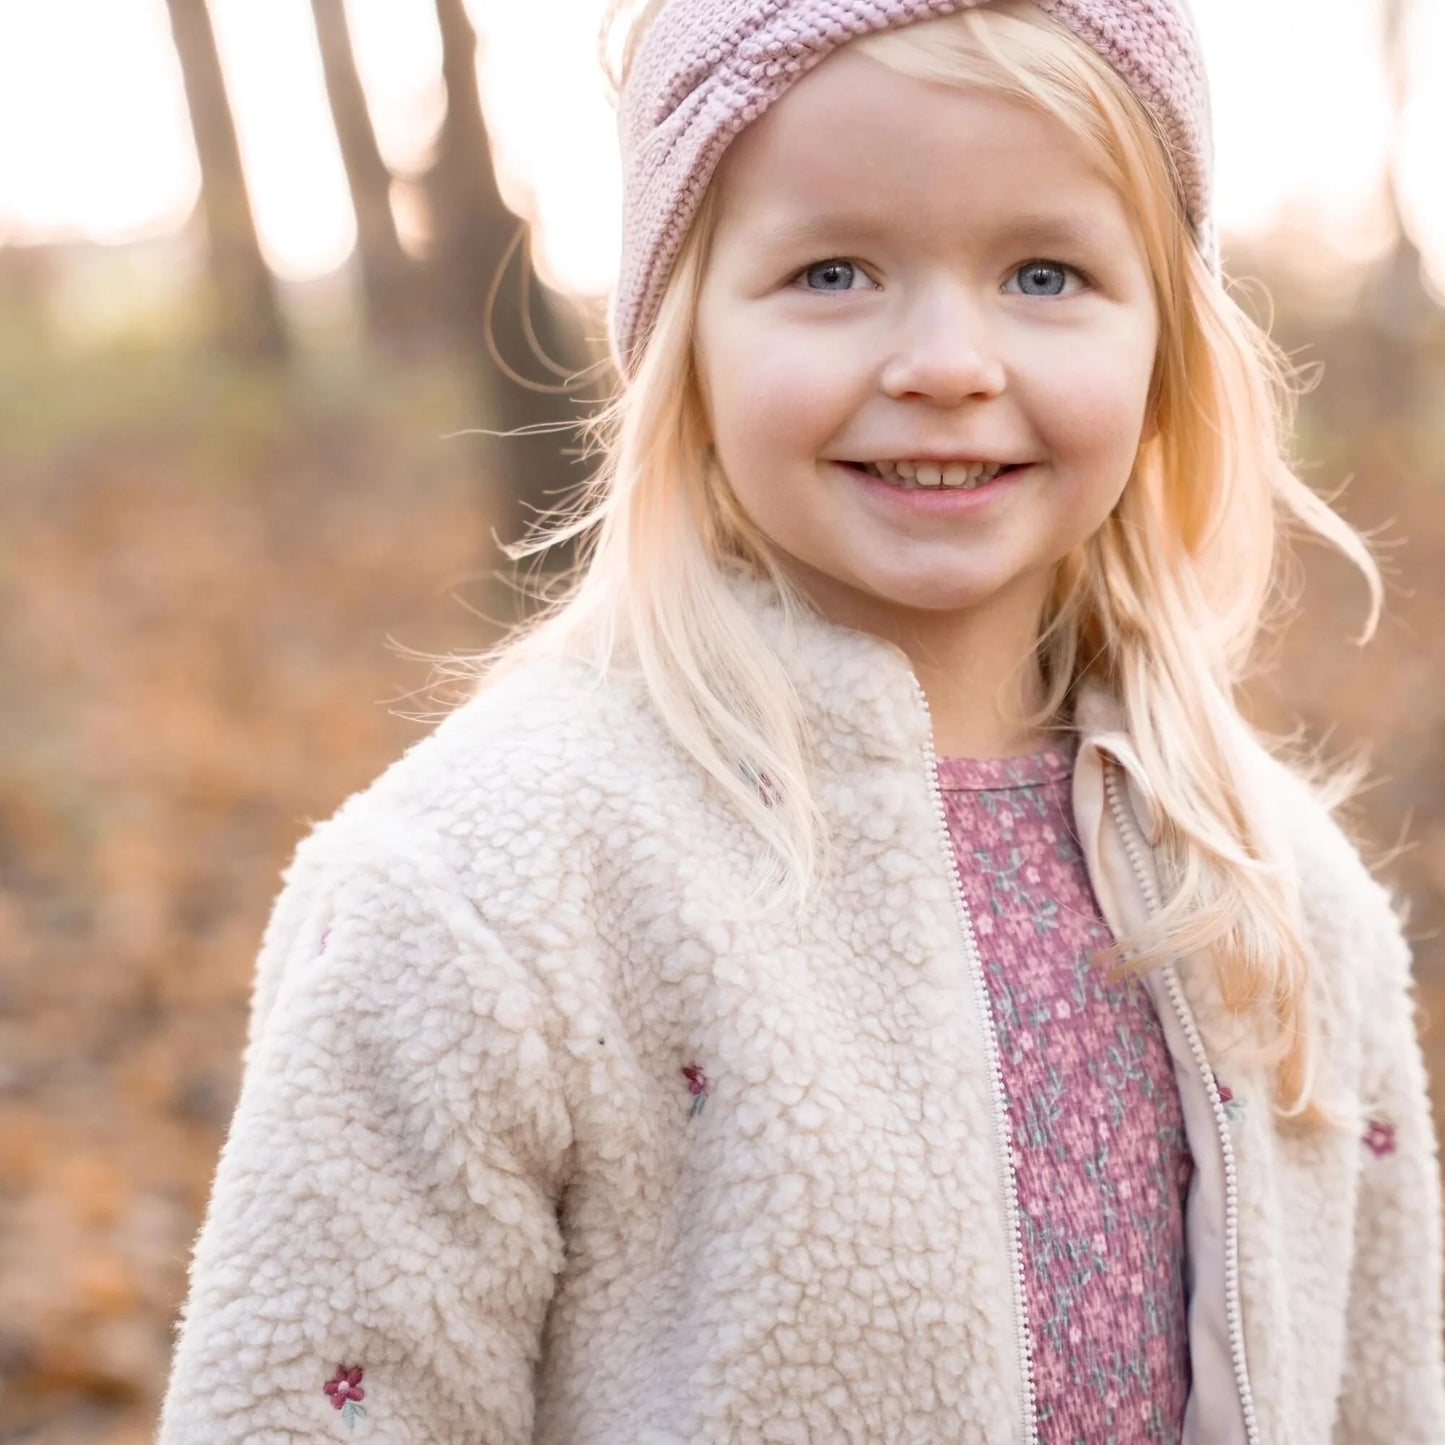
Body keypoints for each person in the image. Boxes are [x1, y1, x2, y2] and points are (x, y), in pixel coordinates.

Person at [156, 0, 1445, 1440]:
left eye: (1045, 270)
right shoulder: (486, 890)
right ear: (681, 339)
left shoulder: (1276, 898)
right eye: (832, 269)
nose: (947, 361)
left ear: (1165, 353)